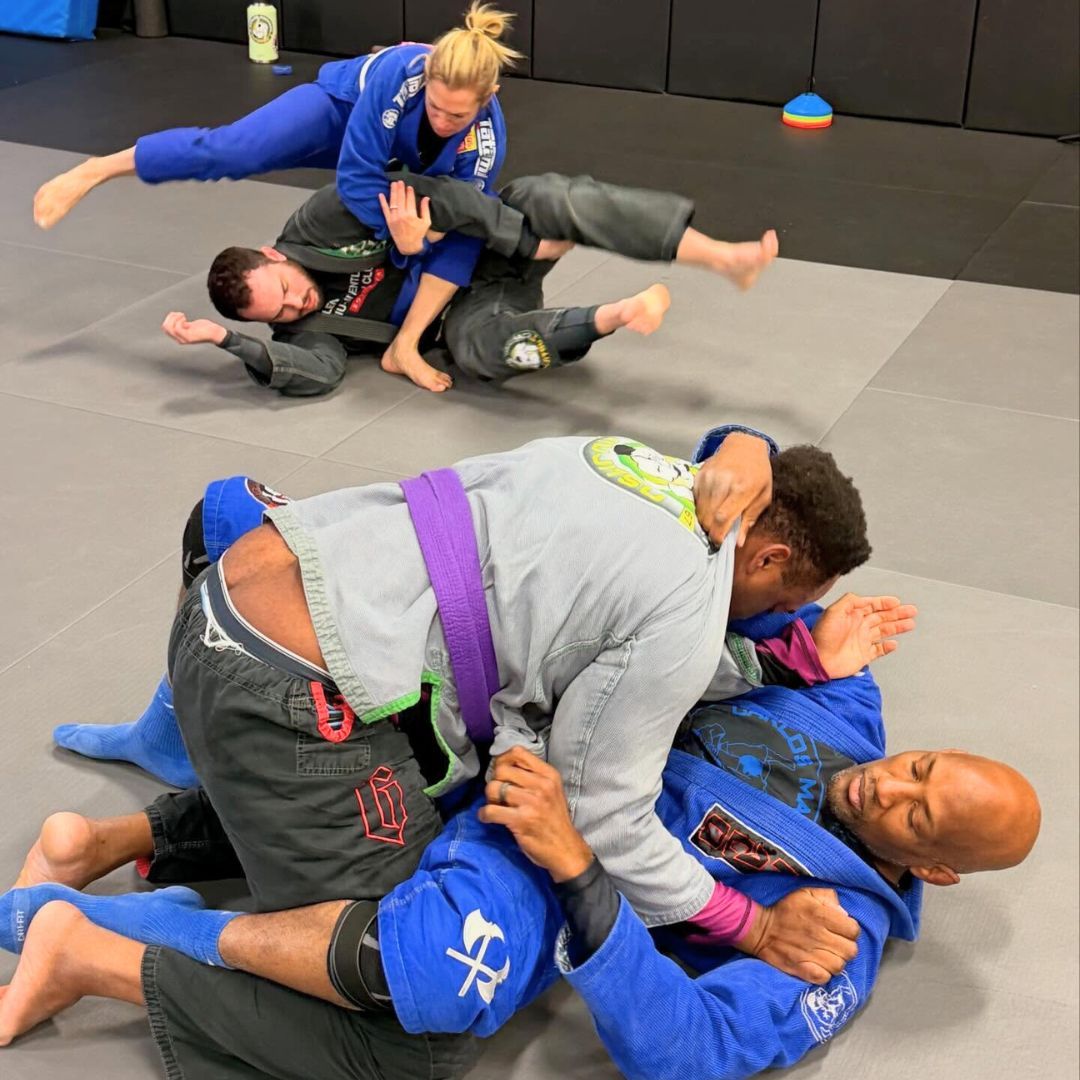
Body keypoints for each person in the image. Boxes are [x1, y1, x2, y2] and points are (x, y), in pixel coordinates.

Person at [0, 621, 1039, 1080]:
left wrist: (582, 876)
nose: (885, 784)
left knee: (428, 982)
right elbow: (755, 555)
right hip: (526, 735)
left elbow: (691, 1048)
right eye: (922, 765)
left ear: (936, 870)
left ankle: (70, 909)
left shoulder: (836, 937)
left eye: (914, 818)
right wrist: (809, 620)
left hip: (542, 858)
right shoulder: (847, 709)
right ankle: (109, 868)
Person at [34, 6, 521, 380]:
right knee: (234, 150)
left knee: (472, 222)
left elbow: (460, 211)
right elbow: (356, 179)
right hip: (340, 112)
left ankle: (407, 344)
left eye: (456, 116)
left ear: (489, 96)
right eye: (436, 106)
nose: (443, 119)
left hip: (402, 162)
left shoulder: (484, 146)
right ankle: (100, 169)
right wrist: (399, 235)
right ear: (428, 74)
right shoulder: (400, 72)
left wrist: (422, 242)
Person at [167, 173, 776, 393]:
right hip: (473, 309)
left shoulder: (326, 216)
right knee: (478, 350)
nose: (301, 302)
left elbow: (447, 196)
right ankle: (612, 316)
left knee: (541, 195)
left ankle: (722, 256)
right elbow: (316, 374)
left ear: (275, 253)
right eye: (282, 313)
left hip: (481, 244)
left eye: (289, 286)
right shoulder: (302, 332)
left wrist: (520, 240)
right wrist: (226, 342)